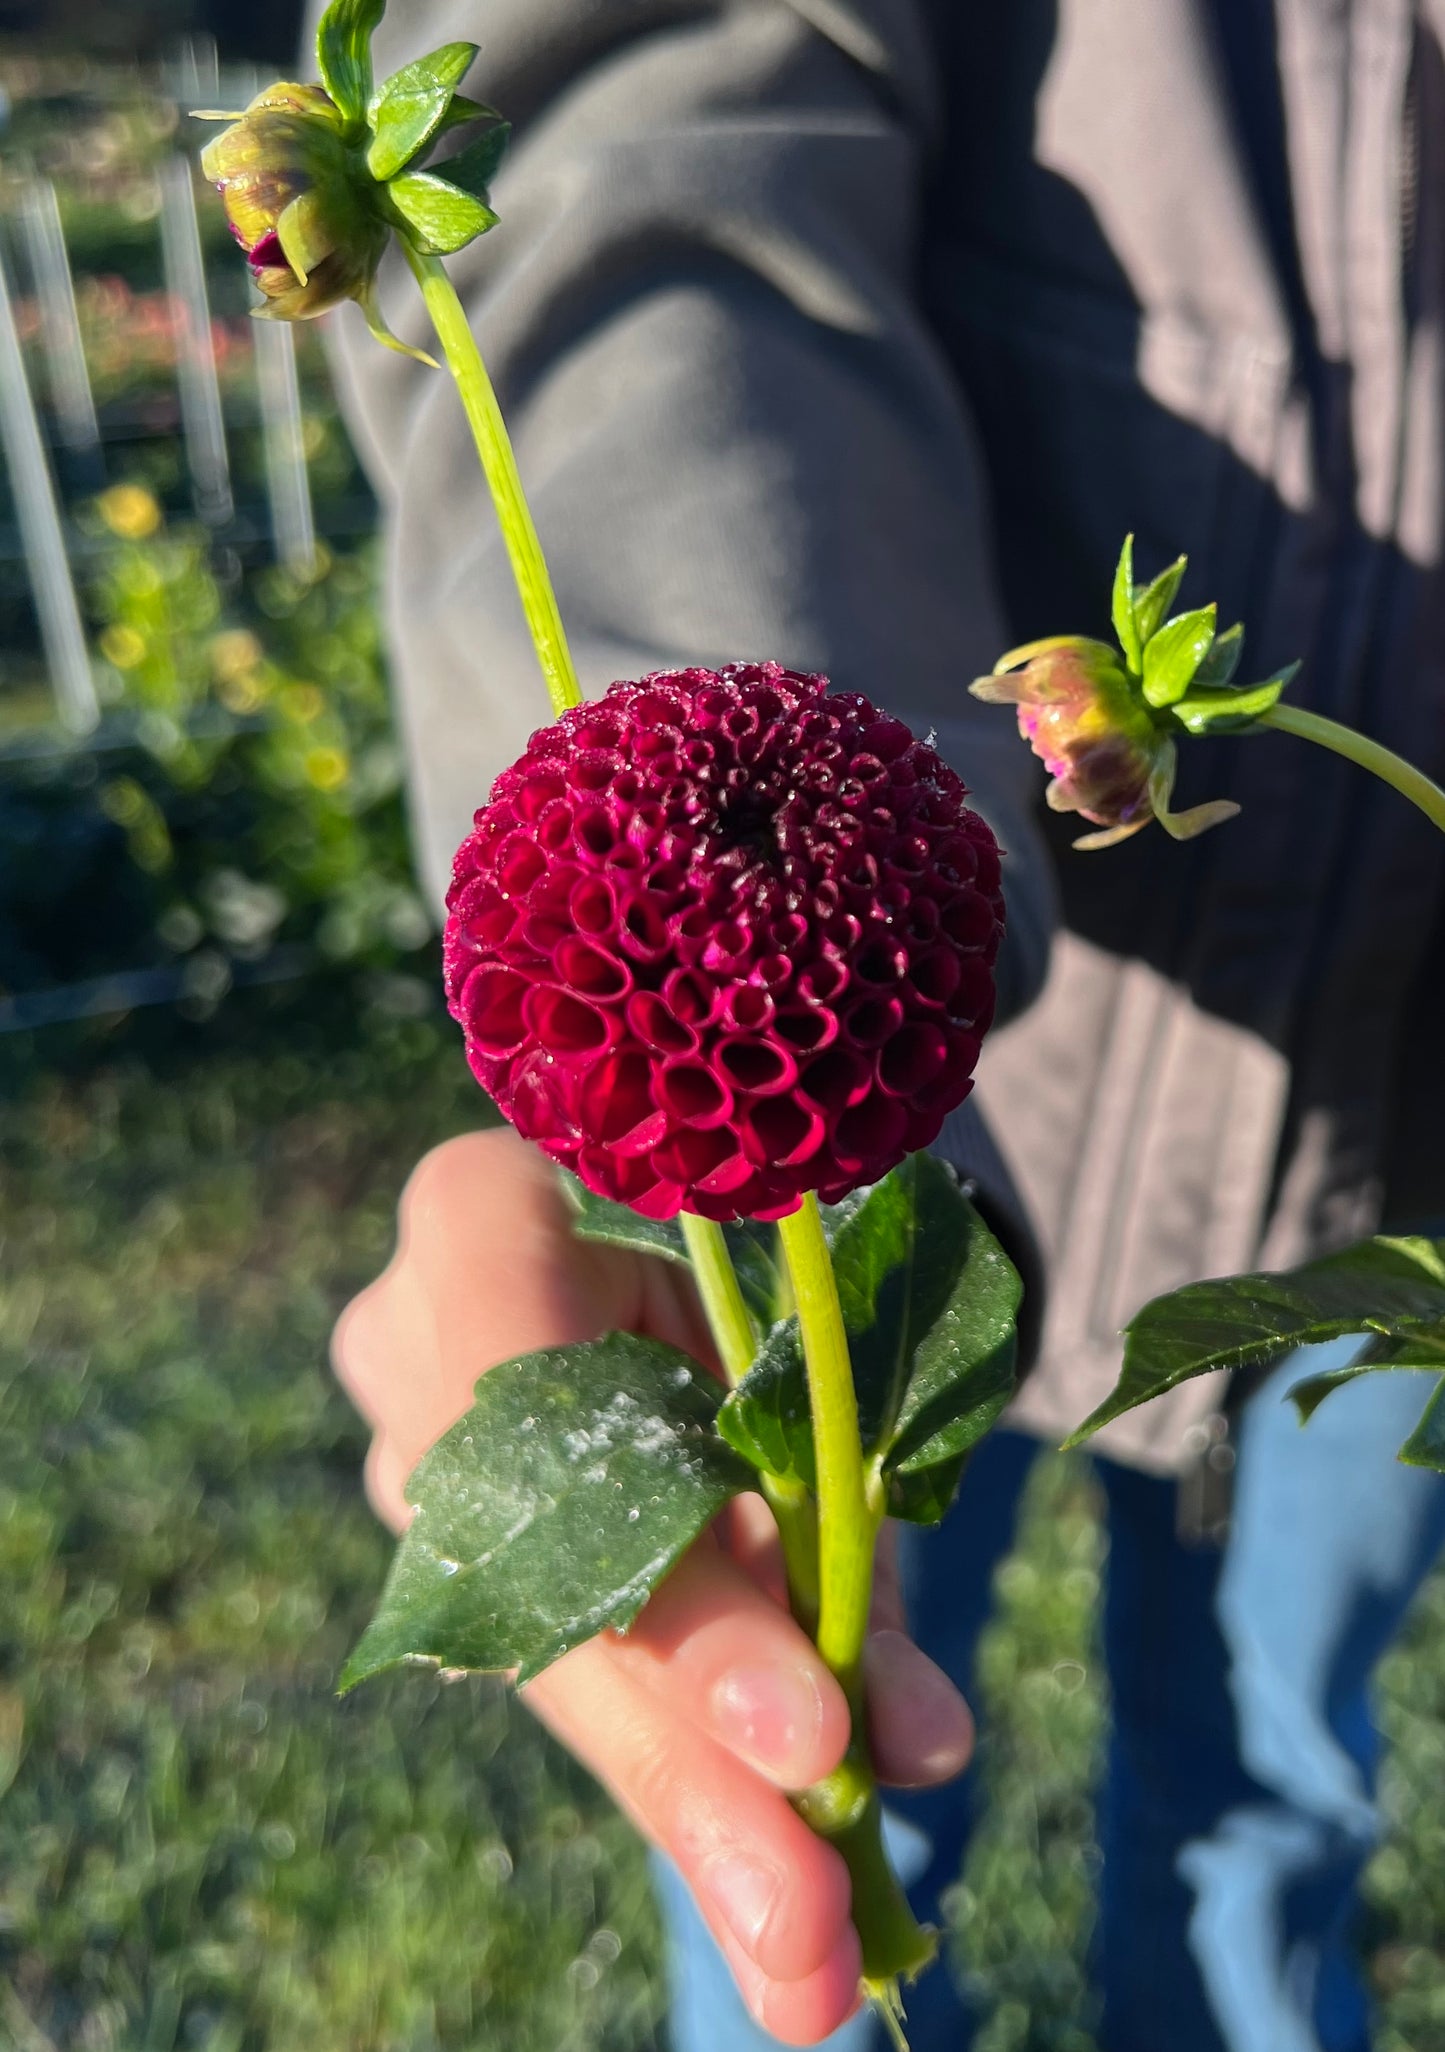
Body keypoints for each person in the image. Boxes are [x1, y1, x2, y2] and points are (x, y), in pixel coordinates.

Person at [321, 4, 1445, 2046]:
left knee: (1282, 1794)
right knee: (817, 1800)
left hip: (1407, 1127)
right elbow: (643, 125)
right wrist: (736, 864)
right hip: (992, 1092)